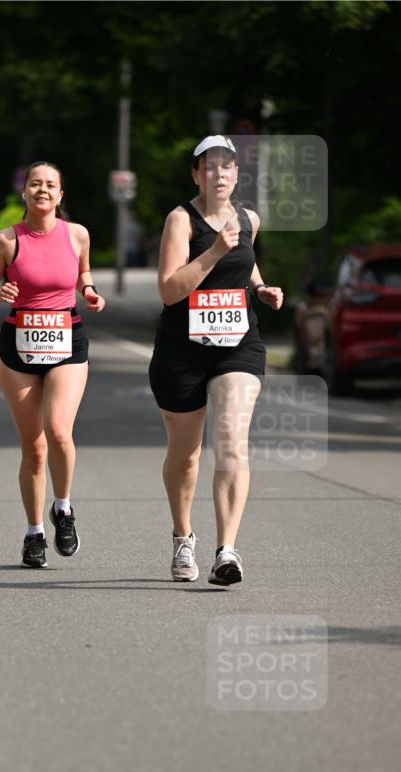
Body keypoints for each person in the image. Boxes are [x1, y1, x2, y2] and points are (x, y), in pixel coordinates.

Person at [149, 135, 283, 585]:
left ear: (236, 175)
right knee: (185, 455)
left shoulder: (249, 219)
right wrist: (215, 250)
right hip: (182, 350)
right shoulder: (180, 220)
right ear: (196, 174)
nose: (219, 174)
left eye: (227, 166)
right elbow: (169, 291)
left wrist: (261, 290)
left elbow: (247, 269)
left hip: (237, 344)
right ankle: (183, 535)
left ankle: (227, 550)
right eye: (210, 167)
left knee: (230, 437)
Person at [0, 160, 106, 568]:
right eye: (36, 184)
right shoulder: (6, 240)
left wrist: (90, 291)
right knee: (33, 447)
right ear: (25, 193)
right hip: (19, 343)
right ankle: (34, 533)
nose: (43, 190)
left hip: (67, 338)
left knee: (59, 432)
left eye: (51, 185)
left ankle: (63, 509)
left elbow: (83, 273)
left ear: (61, 195)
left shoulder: (77, 234)